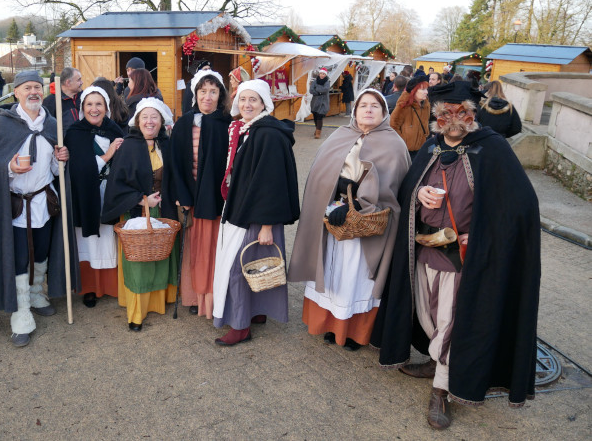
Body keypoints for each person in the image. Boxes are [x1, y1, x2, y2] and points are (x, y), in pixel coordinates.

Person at [371, 82, 541, 430]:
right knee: (427, 315)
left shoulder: (491, 149)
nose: (453, 120)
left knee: (451, 322)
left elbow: (521, 207)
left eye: (462, 112)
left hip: (464, 257)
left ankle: (442, 389)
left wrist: (479, 233)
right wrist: (419, 196)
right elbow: (409, 189)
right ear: (436, 116)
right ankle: (438, 362)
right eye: (445, 113)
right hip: (424, 248)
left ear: (473, 114)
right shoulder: (431, 148)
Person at [288, 89, 410, 350]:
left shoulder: (394, 144)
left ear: (384, 112)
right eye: (363, 105)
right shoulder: (340, 135)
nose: (368, 110)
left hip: (367, 225)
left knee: (356, 276)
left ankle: (354, 332)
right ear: (354, 111)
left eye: (374, 106)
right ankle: (330, 325)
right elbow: (319, 177)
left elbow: (395, 190)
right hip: (335, 217)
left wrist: (359, 203)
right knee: (332, 271)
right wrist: (334, 199)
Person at [0, 70, 80, 347]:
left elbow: (53, 169)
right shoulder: (4, 124)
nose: (33, 92)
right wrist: (9, 168)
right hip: (15, 205)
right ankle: (21, 314)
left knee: (43, 252)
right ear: (16, 93)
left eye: (37, 87)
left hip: (45, 203)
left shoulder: (52, 124)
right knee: (20, 256)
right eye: (27, 88)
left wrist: (62, 158)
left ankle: (37, 295)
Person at [212, 80, 300, 346]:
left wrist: (266, 225)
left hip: (258, 216)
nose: (246, 105)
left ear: (264, 103)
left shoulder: (267, 134)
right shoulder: (251, 129)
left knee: (240, 269)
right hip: (245, 208)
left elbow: (270, 184)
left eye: (253, 100)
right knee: (255, 267)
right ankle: (256, 311)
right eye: (242, 99)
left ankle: (240, 325)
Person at [101, 97, 178, 332]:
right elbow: (118, 186)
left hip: (163, 213)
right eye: (145, 117)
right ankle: (136, 312)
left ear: (162, 121)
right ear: (137, 121)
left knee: (161, 258)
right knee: (140, 263)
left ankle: (159, 301)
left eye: (154, 117)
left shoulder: (167, 145)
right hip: (136, 215)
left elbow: (176, 177)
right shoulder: (129, 146)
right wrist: (142, 200)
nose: (149, 121)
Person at [169, 69, 232, 318]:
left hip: (215, 201)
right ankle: (195, 295)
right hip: (191, 200)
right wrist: (182, 196)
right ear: (195, 94)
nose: (208, 97)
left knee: (213, 250)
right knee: (195, 251)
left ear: (220, 95)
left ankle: (214, 297)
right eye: (203, 91)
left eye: (213, 91)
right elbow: (175, 163)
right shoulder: (184, 123)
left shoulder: (226, 124)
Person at [67, 86, 125, 309]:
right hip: (85, 194)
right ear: (82, 108)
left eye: (98, 104)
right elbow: (80, 169)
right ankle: (90, 288)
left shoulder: (116, 130)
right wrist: (109, 154)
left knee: (109, 237)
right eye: (89, 104)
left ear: (106, 107)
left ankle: (111, 285)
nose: (94, 109)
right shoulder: (74, 132)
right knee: (90, 241)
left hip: (110, 193)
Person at [391, 77, 431, 159]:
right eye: (423, 89)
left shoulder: (426, 104)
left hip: (421, 150)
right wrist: (403, 142)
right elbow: (393, 125)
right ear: (414, 91)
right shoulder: (404, 105)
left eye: (427, 89)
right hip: (405, 151)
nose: (426, 92)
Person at [42, 67, 83, 132]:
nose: (82, 82)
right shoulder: (50, 102)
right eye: (79, 80)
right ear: (68, 83)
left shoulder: (84, 97)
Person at [310, 68, 331, 139]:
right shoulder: (315, 81)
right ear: (319, 74)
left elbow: (325, 89)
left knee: (320, 116)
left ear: (325, 75)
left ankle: (318, 133)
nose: (322, 75)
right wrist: (319, 92)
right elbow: (311, 90)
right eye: (321, 73)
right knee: (315, 116)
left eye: (324, 74)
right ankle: (317, 129)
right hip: (315, 101)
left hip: (323, 102)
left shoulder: (327, 82)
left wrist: (317, 90)